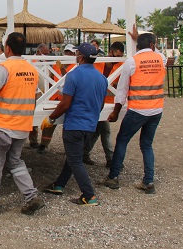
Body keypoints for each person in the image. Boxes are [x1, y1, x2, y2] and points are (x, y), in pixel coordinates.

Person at [0, 32, 44, 216]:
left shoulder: (4, 68)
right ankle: (31, 196)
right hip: (23, 126)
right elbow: (36, 94)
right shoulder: (31, 69)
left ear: (7, 48)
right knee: (15, 161)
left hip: (4, 126)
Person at [43, 43, 108, 206]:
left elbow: (65, 104)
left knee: (75, 161)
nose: (75, 56)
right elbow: (100, 105)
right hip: (90, 125)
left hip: (74, 125)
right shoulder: (102, 78)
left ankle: (89, 195)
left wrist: (51, 118)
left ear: (80, 57)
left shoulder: (74, 75)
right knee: (74, 157)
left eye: (77, 53)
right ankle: (59, 185)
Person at [103, 26, 166, 194]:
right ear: (152, 45)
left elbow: (122, 91)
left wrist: (116, 112)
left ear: (137, 46)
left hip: (138, 109)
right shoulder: (161, 58)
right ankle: (148, 181)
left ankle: (114, 177)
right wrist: (141, 38)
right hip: (156, 109)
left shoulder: (131, 62)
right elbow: (158, 52)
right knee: (147, 144)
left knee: (122, 140)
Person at [83, 41, 125, 167]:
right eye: (116, 56)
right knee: (104, 130)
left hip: (108, 105)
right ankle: (110, 159)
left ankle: (85, 153)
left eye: (120, 56)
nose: (118, 59)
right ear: (110, 52)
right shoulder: (98, 64)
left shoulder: (120, 66)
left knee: (98, 130)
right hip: (96, 102)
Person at [37, 44, 76, 154]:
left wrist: (62, 69)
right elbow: (49, 79)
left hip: (69, 99)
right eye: (66, 52)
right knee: (50, 123)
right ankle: (43, 145)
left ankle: (69, 147)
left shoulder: (75, 66)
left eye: (70, 53)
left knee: (69, 125)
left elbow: (69, 79)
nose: (68, 54)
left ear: (74, 54)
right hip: (55, 98)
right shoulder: (55, 65)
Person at [29, 43, 49, 149]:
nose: (46, 55)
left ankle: (44, 143)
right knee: (33, 115)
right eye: (44, 53)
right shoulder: (31, 61)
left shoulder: (45, 62)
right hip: (34, 93)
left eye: (47, 53)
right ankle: (33, 140)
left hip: (45, 93)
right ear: (38, 52)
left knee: (46, 116)